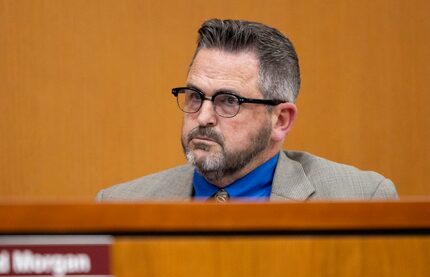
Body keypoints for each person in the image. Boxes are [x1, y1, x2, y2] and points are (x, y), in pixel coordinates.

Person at [98, 19, 397, 202]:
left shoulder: (360, 197)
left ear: (280, 120)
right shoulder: (118, 205)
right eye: (194, 96)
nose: (203, 117)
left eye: (229, 101)